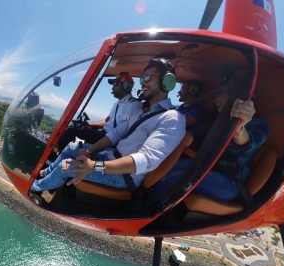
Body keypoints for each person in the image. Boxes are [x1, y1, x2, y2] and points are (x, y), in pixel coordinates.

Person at [30, 58, 186, 193]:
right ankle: (44, 174)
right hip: (111, 156)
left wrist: (94, 166)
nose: (143, 82)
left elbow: (144, 160)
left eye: (148, 77)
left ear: (167, 81)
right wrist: (90, 150)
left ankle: (34, 187)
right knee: (73, 148)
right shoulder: (144, 112)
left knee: (66, 166)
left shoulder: (172, 119)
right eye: (142, 78)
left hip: (125, 176)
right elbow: (116, 134)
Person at [151, 92, 270, 204]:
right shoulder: (219, 120)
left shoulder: (260, 124)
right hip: (208, 168)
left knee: (169, 181)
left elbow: (246, 144)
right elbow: (198, 133)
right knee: (161, 167)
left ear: (236, 95)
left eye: (220, 95)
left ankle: (149, 209)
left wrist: (239, 127)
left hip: (229, 182)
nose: (215, 100)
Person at [55, 72, 140, 151]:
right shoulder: (116, 104)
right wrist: (89, 123)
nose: (112, 87)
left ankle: (55, 153)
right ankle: (64, 150)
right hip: (103, 132)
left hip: (109, 140)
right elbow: (107, 121)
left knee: (74, 129)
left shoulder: (134, 106)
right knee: (78, 124)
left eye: (115, 84)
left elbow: (131, 134)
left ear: (126, 86)